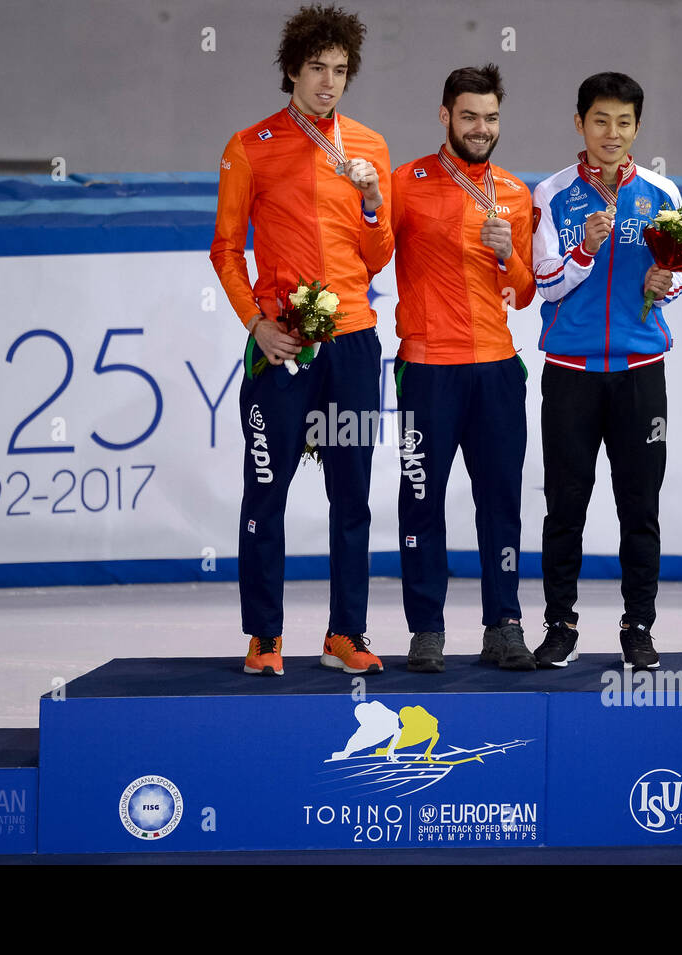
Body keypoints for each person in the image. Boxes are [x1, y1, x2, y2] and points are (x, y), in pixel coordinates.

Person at [210, 4, 393, 677]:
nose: (328, 82)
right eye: (317, 68)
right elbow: (226, 250)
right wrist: (257, 324)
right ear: (292, 69)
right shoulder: (249, 145)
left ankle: (346, 632)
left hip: (352, 346)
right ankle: (264, 635)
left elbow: (378, 257)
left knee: (352, 496)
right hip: (281, 347)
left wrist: (373, 203)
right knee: (267, 489)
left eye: (340, 71)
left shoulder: (370, 148)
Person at [530, 72, 682, 671]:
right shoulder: (549, 194)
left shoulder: (662, 194)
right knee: (564, 504)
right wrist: (582, 251)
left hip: (640, 370)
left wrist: (666, 283)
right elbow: (542, 284)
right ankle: (560, 626)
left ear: (637, 128)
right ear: (580, 123)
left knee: (639, 505)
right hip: (569, 371)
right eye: (600, 120)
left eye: (624, 123)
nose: (612, 133)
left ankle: (639, 627)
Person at [390, 65, 536, 673]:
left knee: (500, 502)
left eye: (492, 117)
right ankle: (426, 630)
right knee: (421, 500)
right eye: (470, 116)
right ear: (445, 116)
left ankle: (503, 625)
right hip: (428, 370)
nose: (482, 128)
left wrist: (509, 258)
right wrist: (372, 206)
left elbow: (526, 291)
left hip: (497, 370)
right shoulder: (406, 183)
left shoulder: (514, 192)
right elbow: (372, 254)